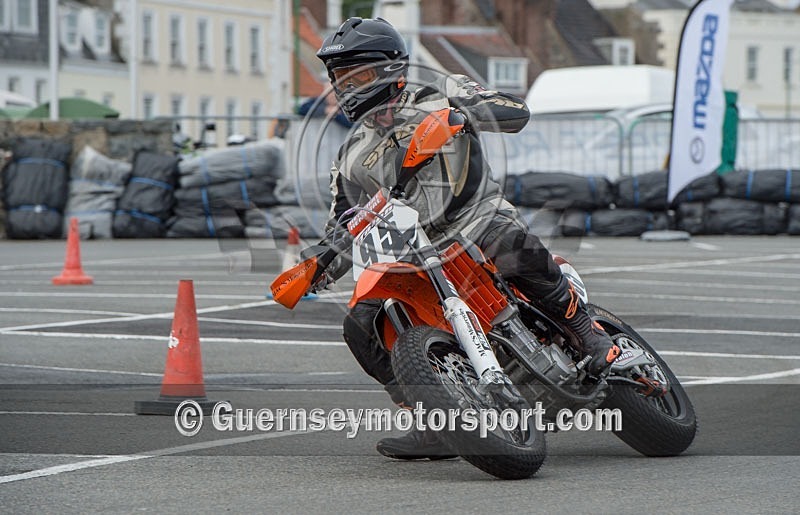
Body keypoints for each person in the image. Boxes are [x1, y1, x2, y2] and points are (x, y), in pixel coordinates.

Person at [311, 17, 620, 460]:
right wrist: (321, 261)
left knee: (506, 242)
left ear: (389, 68)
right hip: (411, 251)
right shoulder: (350, 154)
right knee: (360, 324)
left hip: (475, 221)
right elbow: (342, 219)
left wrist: (468, 112)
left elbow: (515, 111)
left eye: (355, 74)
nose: (345, 86)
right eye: (339, 77)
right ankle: (431, 419)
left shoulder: (441, 91)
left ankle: (584, 331)